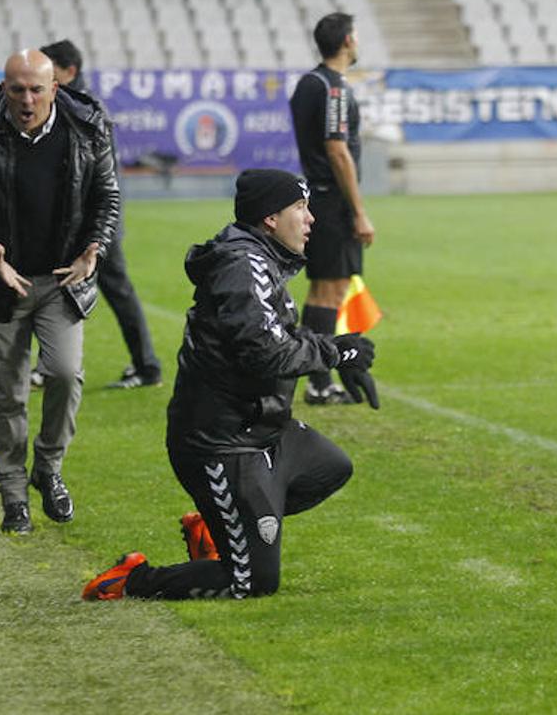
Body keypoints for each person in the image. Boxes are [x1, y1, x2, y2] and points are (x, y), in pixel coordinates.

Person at [83, 169, 378, 602]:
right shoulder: (244, 266)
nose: (311, 218)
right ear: (271, 218)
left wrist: (339, 348)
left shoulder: (262, 260)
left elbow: (283, 339)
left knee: (330, 467)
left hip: (261, 429)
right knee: (252, 583)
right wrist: (336, 355)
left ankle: (220, 524)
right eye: (300, 207)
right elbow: (266, 352)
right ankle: (133, 579)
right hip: (221, 442)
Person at [0, 49, 120, 535]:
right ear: (3, 88)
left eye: (36, 89)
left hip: (62, 278)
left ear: (54, 89)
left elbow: (108, 196)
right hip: (1, 283)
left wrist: (95, 250)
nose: (26, 99)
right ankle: (14, 494)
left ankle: (49, 465)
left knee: (64, 373)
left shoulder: (86, 126)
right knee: (8, 393)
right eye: (16, 89)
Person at [40, 38, 162, 390]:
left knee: (113, 289)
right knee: (62, 286)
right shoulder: (73, 104)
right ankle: (142, 364)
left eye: (51, 71)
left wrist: (97, 225)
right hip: (85, 219)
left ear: (69, 71)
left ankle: (148, 366)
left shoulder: (83, 108)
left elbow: (98, 175)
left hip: (95, 221)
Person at [288, 12, 374, 405]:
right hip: (331, 199)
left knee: (324, 290)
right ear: (347, 41)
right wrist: (358, 210)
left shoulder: (308, 83)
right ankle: (319, 382)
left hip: (317, 195)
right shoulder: (334, 88)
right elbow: (337, 150)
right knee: (329, 291)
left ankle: (319, 376)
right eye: (355, 36)